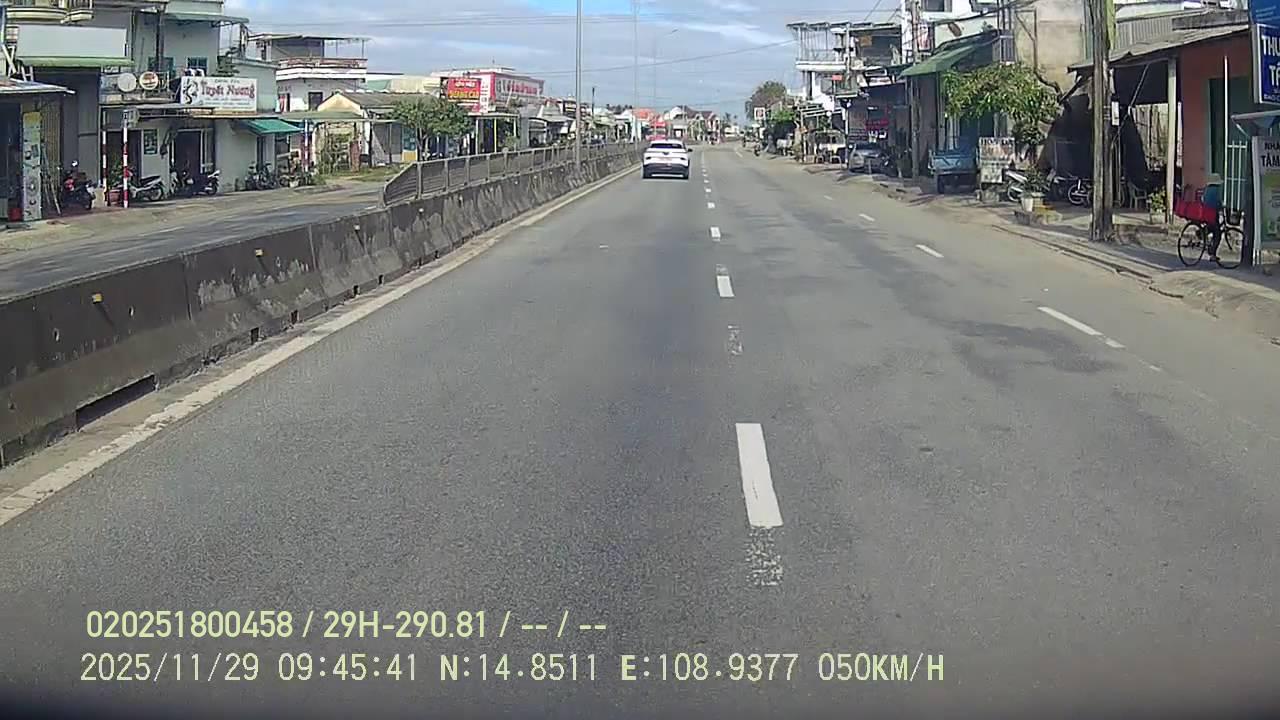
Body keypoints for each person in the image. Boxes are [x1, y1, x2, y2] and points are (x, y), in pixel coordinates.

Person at [1202, 173, 1225, 262]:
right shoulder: (1216, 190)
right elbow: (1217, 203)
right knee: (1218, 235)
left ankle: (1202, 232)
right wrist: (1221, 207)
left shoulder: (1207, 189)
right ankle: (1213, 254)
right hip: (1212, 214)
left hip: (1206, 213)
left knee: (1212, 227)